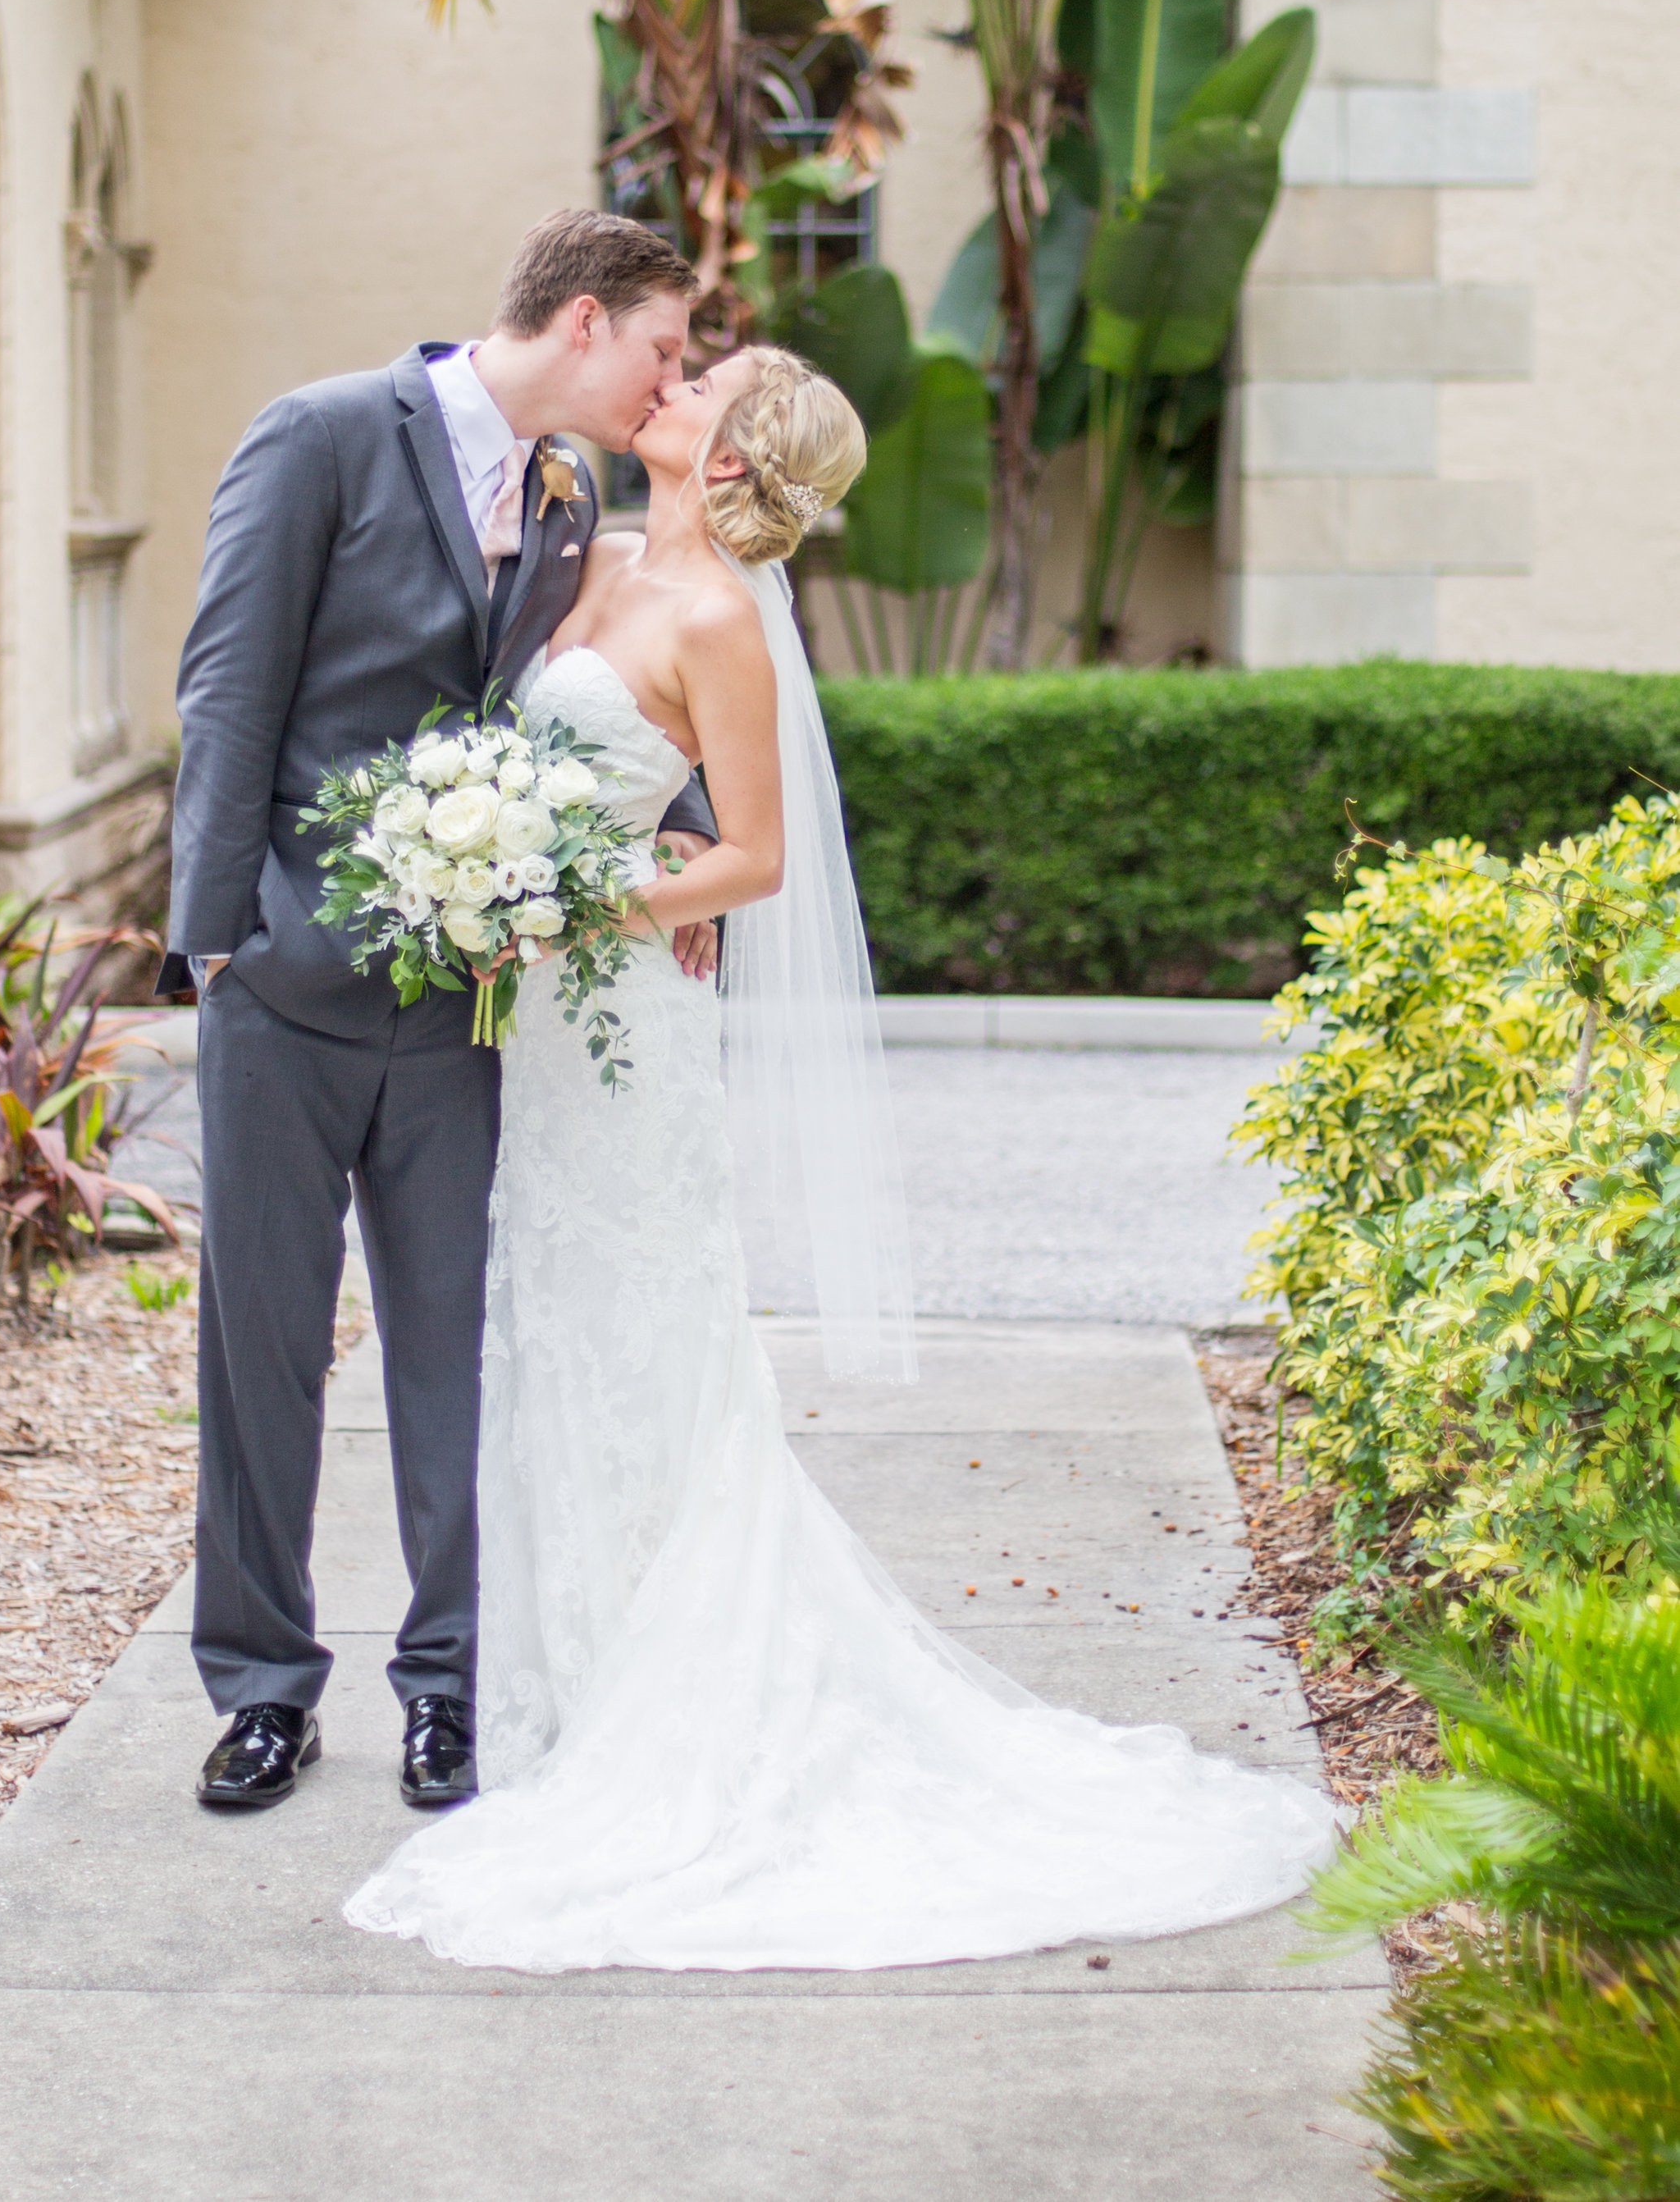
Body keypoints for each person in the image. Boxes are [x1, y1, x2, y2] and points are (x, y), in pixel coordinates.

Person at [343, 343, 1332, 1971]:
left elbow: (754, 857)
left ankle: (651, 1703)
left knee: (639, 1329)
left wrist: (572, 893)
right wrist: (492, 854)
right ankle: (561, 1689)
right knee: (547, 1329)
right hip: (532, 1026)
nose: (676, 374)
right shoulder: (582, 552)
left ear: (729, 458)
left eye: (708, 379)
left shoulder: (722, 621)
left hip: (622, 1033)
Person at [164, 212, 719, 1816]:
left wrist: (656, 834)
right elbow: (227, 688)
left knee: (456, 1354)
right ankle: (263, 1688)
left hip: (470, 1001)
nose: (670, 382)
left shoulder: (565, 497)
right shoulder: (326, 434)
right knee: (260, 1347)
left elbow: (555, 709)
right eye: (666, 350)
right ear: (590, 321)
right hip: (281, 983)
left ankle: (446, 1685)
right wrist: (213, 946)